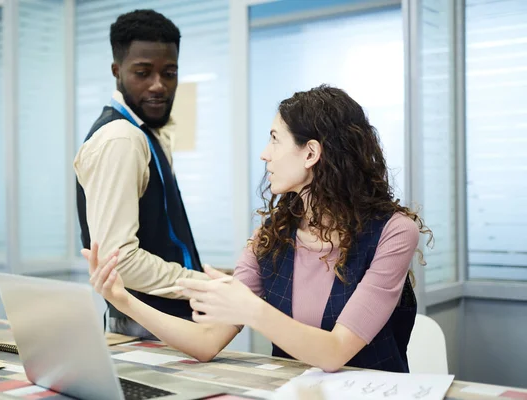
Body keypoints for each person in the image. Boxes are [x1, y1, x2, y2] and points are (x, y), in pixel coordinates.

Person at [85, 85, 433, 373]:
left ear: (310, 152)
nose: (265, 154)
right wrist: (124, 300)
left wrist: (249, 308)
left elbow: (335, 351)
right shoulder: (274, 234)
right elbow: (207, 342)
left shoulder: (395, 233)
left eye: (275, 139)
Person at [74, 10, 208, 338]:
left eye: (170, 72)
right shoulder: (122, 137)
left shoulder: (145, 132)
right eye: (143, 72)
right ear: (117, 71)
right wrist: (203, 285)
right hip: (145, 327)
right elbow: (118, 261)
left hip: (163, 322)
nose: (159, 85)